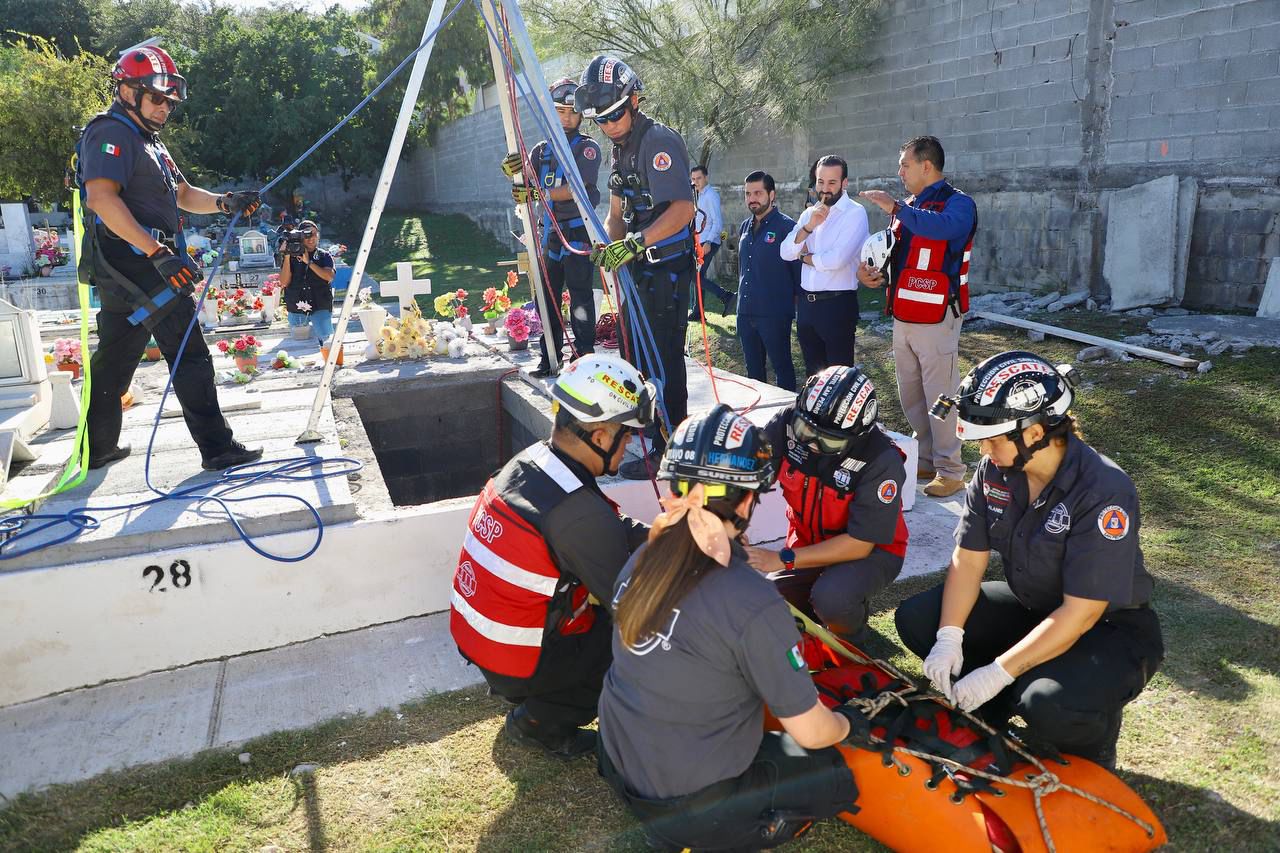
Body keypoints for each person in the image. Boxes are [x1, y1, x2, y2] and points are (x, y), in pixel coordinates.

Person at [598, 404, 859, 852]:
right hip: (692, 808)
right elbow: (813, 732)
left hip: (618, 762)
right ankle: (750, 829)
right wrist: (846, 724)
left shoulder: (643, 557)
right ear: (745, 500)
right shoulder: (751, 602)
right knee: (832, 774)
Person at [894, 351, 1163, 769]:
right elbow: (968, 559)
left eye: (993, 438)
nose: (984, 448)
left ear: (1035, 433)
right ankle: (995, 705)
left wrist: (997, 671)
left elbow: (1082, 612)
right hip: (1034, 607)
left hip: (1109, 627)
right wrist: (949, 637)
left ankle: (1094, 738)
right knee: (919, 619)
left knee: (1047, 703)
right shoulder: (994, 471)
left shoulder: (1105, 489)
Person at [449, 354, 654, 758]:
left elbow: (612, 526)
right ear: (599, 435)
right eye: (626, 432)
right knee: (641, 643)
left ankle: (542, 699)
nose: (630, 442)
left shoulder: (536, 462)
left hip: (482, 640)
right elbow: (632, 605)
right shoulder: (577, 513)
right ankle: (541, 721)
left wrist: (670, 538)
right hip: (513, 657)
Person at [77, 46, 262, 472]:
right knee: (190, 355)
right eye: (156, 99)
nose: (164, 110)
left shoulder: (148, 142)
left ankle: (97, 447)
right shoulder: (111, 133)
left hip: (132, 267)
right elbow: (102, 199)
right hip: (140, 265)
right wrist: (158, 253)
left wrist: (225, 202)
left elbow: (182, 194)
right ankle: (217, 448)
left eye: (169, 103)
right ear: (127, 90)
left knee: (115, 360)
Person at [576, 55, 697, 480]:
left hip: (666, 268)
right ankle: (652, 436)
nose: (609, 125)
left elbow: (683, 208)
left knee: (664, 358)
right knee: (636, 357)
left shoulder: (657, 141)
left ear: (635, 101)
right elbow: (614, 213)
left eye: (615, 115)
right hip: (638, 268)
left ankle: (674, 451)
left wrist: (635, 242)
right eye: (601, 119)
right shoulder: (619, 149)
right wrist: (609, 245)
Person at [746, 366, 908, 643]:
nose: (812, 445)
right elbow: (750, 473)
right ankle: (819, 613)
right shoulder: (786, 423)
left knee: (832, 598)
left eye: (829, 441)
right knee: (768, 599)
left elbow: (860, 543)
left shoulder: (882, 460)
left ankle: (854, 641)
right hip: (806, 540)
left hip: (872, 553)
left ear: (858, 435)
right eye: (805, 431)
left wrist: (782, 559)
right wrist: (733, 524)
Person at [859, 136, 977, 499]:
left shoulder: (959, 205)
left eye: (905, 164)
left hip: (938, 315)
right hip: (904, 314)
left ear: (927, 166)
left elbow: (938, 228)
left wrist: (897, 208)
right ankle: (924, 456)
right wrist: (873, 276)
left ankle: (951, 468)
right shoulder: (906, 208)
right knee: (911, 393)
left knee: (940, 395)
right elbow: (898, 256)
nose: (900, 172)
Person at [501, 78, 603, 378]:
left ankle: (583, 358)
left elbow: (578, 189)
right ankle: (548, 358)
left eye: (573, 111)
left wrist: (538, 194)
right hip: (549, 235)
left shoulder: (587, 148)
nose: (568, 117)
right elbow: (527, 185)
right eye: (561, 110)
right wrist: (514, 173)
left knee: (580, 296)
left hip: (576, 233)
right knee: (546, 298)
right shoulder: (541, 151)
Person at [779, 155, 868, 378]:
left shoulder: (855, 213)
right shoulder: (809, 214)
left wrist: (805, 257)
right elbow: (785, 251)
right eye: (820, 182)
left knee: (839, 379)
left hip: (837, 305)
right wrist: (808, 227)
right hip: (807, 309)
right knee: (813, 376)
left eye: (832, 182)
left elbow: (836, 260)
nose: (825, 189)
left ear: (844, 183)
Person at [735, 170, 800, 391]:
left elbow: (797, 272)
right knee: (753, 375)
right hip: (745, 313)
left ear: (771, 194)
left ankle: (788, 418)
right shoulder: (744, 226)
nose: (752, 198)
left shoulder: (786, 227)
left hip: (774, 314)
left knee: (782, 370)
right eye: (747, 194)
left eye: (757, 193)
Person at [278, 220, 336, 342]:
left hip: (320, 305)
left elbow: (329, 276)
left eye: (314, 234)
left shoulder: (323, 255)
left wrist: (309, 262)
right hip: (296, 306)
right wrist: (288, 255)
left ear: (318, 235)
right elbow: (284, 282)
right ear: (300, 237)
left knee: (327, 341)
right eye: (307, 235)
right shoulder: (291, 257)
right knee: (299, 345)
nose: (311, 238)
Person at [688, 164, 733, 319]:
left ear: (706, 177)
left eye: (699, 178)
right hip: (700, 241)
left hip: (708, 242)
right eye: (693, 179)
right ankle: (698, 311)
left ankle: (726, 296)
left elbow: (717, 222)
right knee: (698, 276)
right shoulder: (698, 195)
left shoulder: (711, 195)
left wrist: (708, 242)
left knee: (695, 276)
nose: (696, 181)